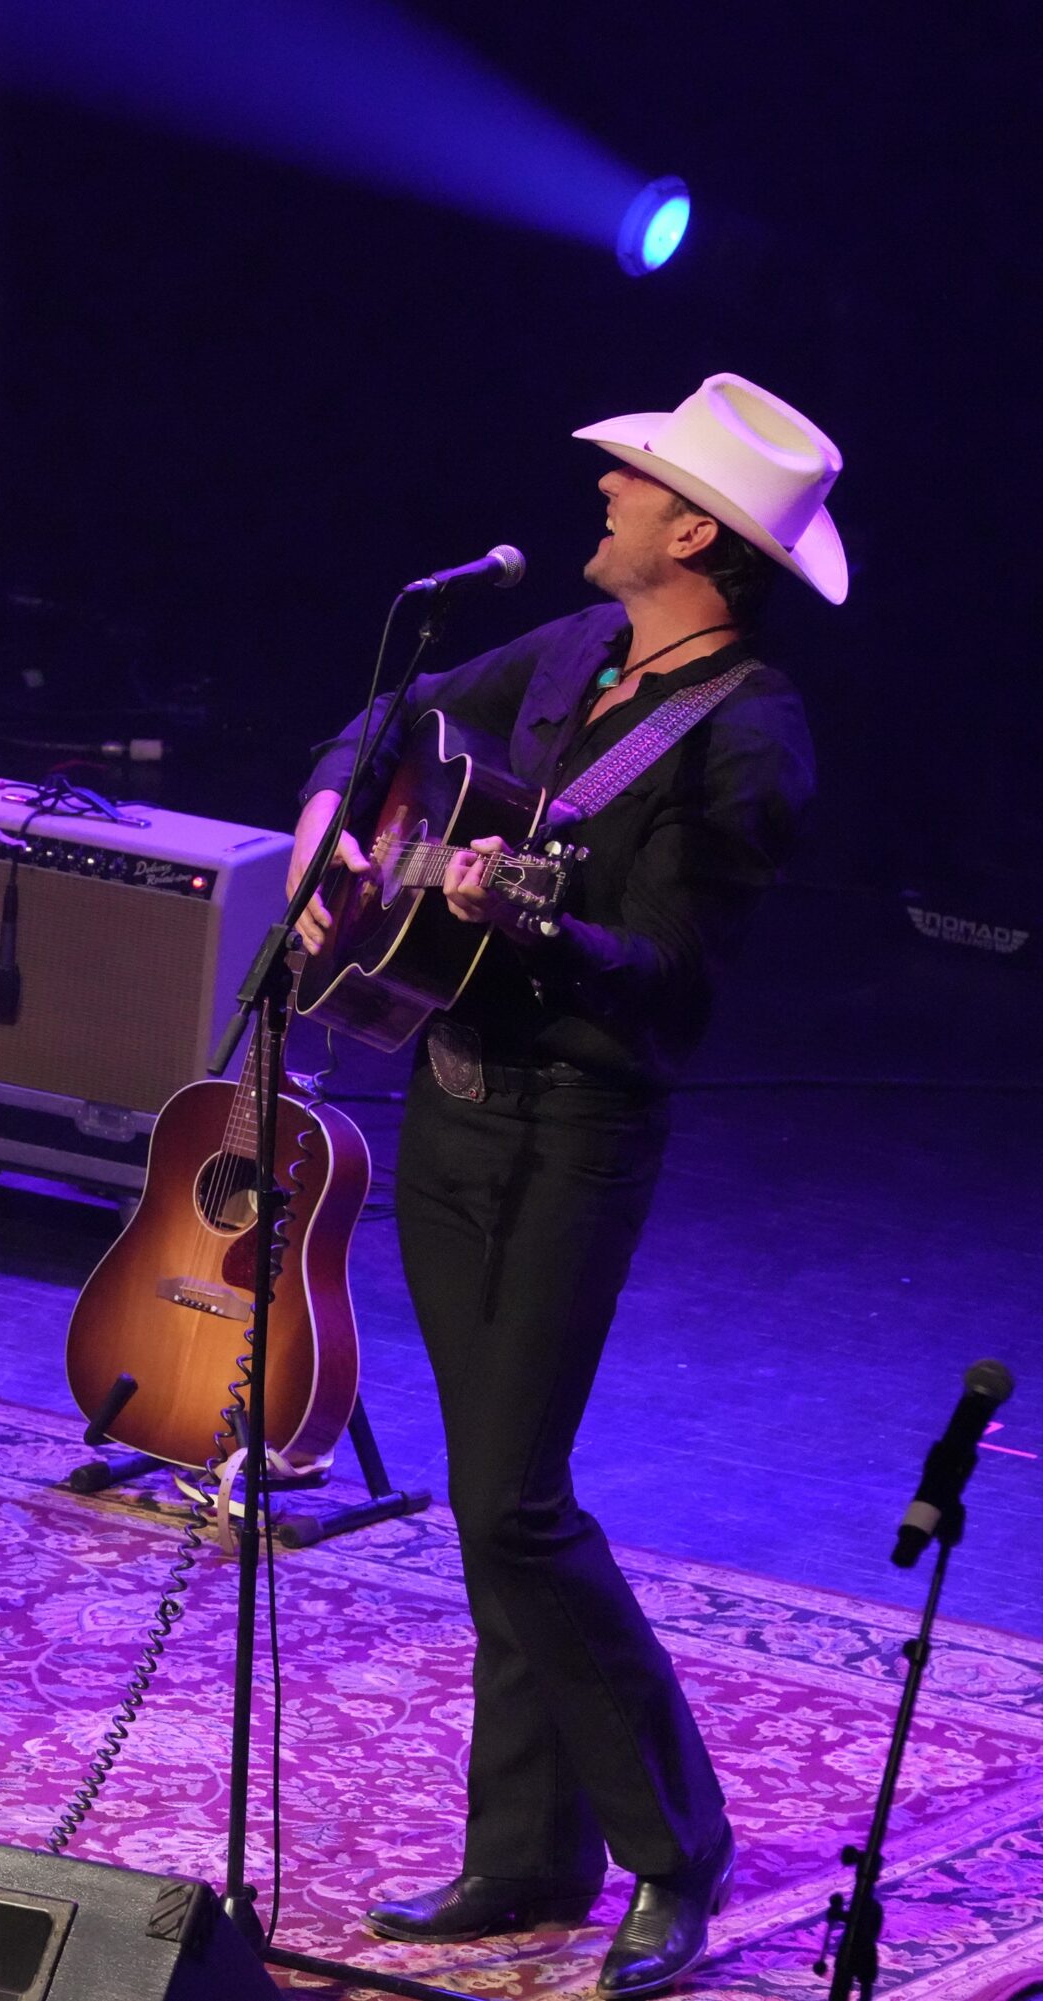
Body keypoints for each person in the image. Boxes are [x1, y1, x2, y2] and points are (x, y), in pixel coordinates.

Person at [292, 374, 842, 1999]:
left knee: (516, 1503)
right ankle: (529, 1849)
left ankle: (678, 1842)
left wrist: (535, 920)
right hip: (452, 1111)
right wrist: (331, 825)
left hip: (575, 1135)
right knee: (489, 1497)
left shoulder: (749, 734)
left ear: (699, 533)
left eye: (637, 480)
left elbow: (671, 981)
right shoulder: (574, 651)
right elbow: (384, 722)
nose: (606, 488)